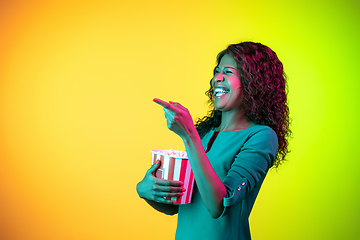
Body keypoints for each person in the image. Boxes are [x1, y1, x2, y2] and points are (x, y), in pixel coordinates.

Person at [136, 41, 291, 240]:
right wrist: (145, 190)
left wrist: (189, 136)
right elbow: (178, 206)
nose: (217, 78)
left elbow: (219, 205)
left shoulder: (262, 136)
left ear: (254, 81)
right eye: (217, 71)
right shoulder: (205, 133)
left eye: (227, 72)